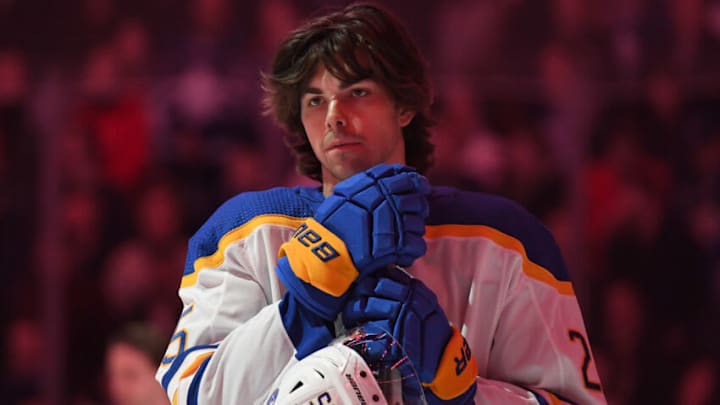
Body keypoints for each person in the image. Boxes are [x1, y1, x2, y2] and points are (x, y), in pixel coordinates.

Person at [155, 3, 607, 404]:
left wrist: (459, 390)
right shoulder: (244, 232)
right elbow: (188, 397)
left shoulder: (508, 240)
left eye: (358, 92)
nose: (334, 114)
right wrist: (303, 305)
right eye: (315, 100)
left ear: (405, 105)